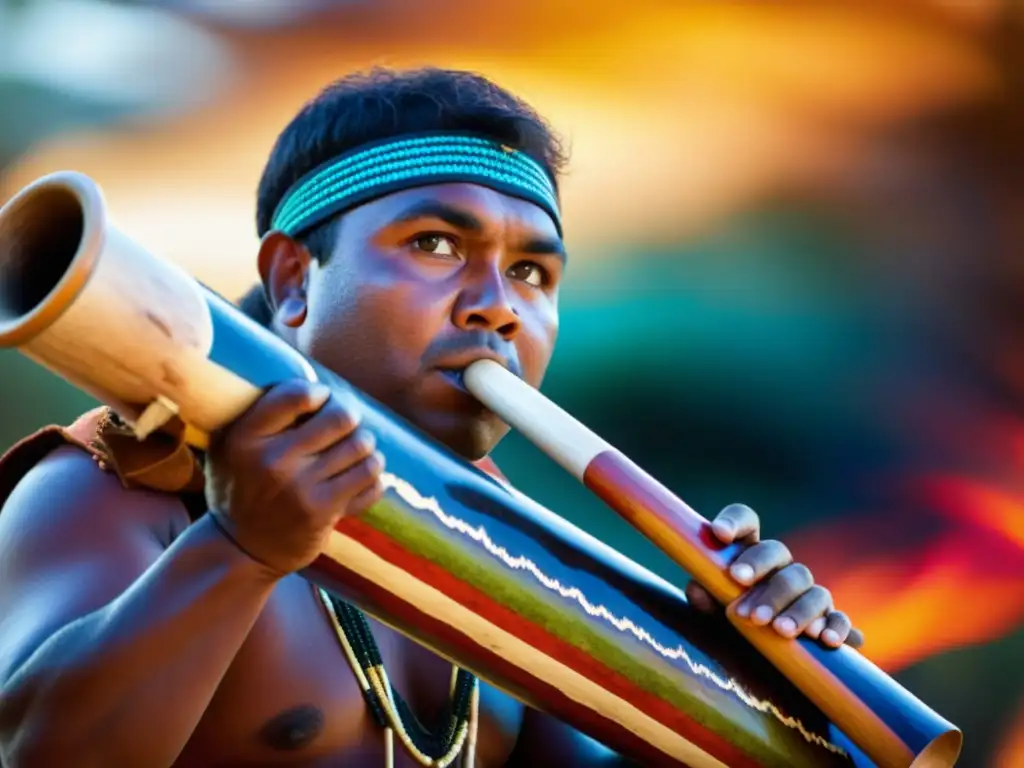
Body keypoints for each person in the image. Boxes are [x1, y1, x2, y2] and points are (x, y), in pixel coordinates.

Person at [0, 67, 863, 767]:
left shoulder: (516, 546)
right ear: (296, 281)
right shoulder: (121, 487)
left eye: (532, 272)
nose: (497, 307)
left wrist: (742, 689)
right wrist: (238, 552)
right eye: (436, 245)